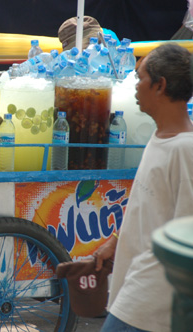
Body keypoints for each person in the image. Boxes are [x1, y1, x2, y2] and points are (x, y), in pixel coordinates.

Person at [93, 43, 193, 332]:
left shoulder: (184, 150)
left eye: (140, 78)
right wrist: (116, 241)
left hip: (154, 297)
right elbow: (150, 205)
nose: (135, 86)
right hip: (135, 283)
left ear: (160, 85)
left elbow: (185, 236)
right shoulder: (160, 136)